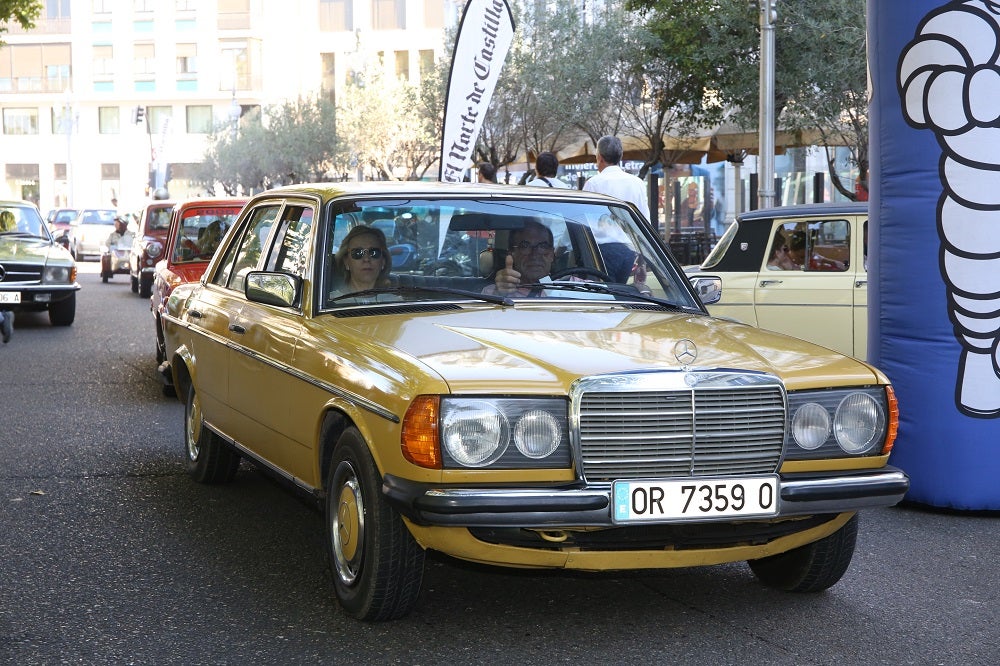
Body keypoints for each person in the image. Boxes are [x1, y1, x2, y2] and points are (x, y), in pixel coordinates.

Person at [484, 219, 558, 297]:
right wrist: (499, 294)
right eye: (525, 246)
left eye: (543, 246)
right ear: (511, 254)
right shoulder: (492, 292)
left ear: (551, 254)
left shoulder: (568, 286)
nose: (534, 255)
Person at [582, 136, 650, 220]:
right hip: (633, 233)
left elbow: (585, 219)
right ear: (620, 156)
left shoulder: (593, 184)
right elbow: (645, 219)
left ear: (599, 157)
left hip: (602, 233)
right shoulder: (638, 183)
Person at [329, 225, 394, 303]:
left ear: (383, 261)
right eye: (357, 253)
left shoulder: (398, 303)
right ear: (346, 262)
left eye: (374, 252)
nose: (366, 259)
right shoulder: (331, 303)